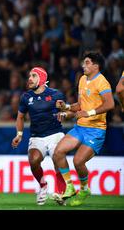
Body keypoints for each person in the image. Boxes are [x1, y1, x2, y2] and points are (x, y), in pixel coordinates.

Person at [54, 51, 115, 206]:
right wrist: (66, 107)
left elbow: (110, 104)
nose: (83, 65)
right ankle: (69, 187)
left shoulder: (102, 82)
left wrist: (89, 113)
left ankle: (84, 189)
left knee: (78, 161)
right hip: (80, 127)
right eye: (83, 62)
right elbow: (80, 106)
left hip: (96, 130)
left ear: (96, 65)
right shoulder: (82, 79)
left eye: (87, 62)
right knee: (58, 152)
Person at [11, 67, 67, 205]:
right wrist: (19, 134)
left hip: (55, 134)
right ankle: (43, 185)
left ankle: (62, 193)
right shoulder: (26, 97)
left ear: (42, 79)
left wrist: (64, 113)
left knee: (57, 159)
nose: (30, 78)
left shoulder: (55, 94)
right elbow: (20, 117)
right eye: (29, 75)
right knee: (33, 160)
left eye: (34, 76)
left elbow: (66, 110)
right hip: (37, 136)